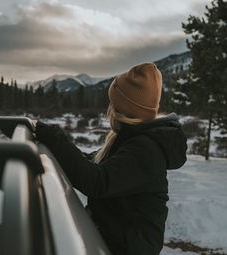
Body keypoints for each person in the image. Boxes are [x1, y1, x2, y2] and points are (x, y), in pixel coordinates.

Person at [31, 63, 187, 255]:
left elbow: (96, 181)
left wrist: (56, 139)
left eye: (113, 102)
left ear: (122, 107)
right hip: (117, 238)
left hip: (128, 248)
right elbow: (95, 162)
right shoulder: (132, 138)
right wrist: (58, 146)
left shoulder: (145, 150)